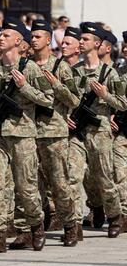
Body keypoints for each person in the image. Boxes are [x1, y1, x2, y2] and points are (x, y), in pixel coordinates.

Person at [0, 19, 54, 254]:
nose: (0, 38)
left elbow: (48, 99)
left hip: (22, 135)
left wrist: (24, 87)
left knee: (26, 186)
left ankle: (34, 227)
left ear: (18, 42)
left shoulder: (29, 68)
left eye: (6, 35)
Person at [66, 23, 126, 239]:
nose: (81, 42)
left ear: (98, 44)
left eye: (86, 39)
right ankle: (73, 225)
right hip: (78, 132)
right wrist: (65, 117)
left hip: (100, 131)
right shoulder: (74, 71)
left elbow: (122, 103)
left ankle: (114, 216)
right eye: (80, 39)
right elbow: (65, 99)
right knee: (73, 177)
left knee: (104, 178)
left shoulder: (110, 73)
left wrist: (105, 96)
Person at [25, 19, 80, 246]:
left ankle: (70, 225)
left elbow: (74, 99)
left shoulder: (60, 67)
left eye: (38, 36)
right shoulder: (24, 65)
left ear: (49, 40)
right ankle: (36, 228)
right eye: (32, 35)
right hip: (27, 131)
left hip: (54, 133)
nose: (33, 39)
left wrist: (57, 85)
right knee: (31, 183)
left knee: (59, 183)